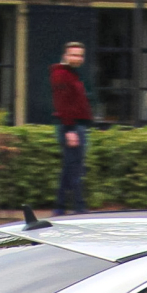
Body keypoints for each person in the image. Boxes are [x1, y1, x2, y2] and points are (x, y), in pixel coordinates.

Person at [50, 41, 93, 214]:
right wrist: (70, 130)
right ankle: (78, 208)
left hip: (77, 125)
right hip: (72, 126)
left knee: (70, 169)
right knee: (75, 170)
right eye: (74, 55)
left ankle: (61, 208)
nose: (77, 58)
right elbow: (62, 104)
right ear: (65, 56)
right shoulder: (61, 75)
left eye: (80, 55)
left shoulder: (72, 74)